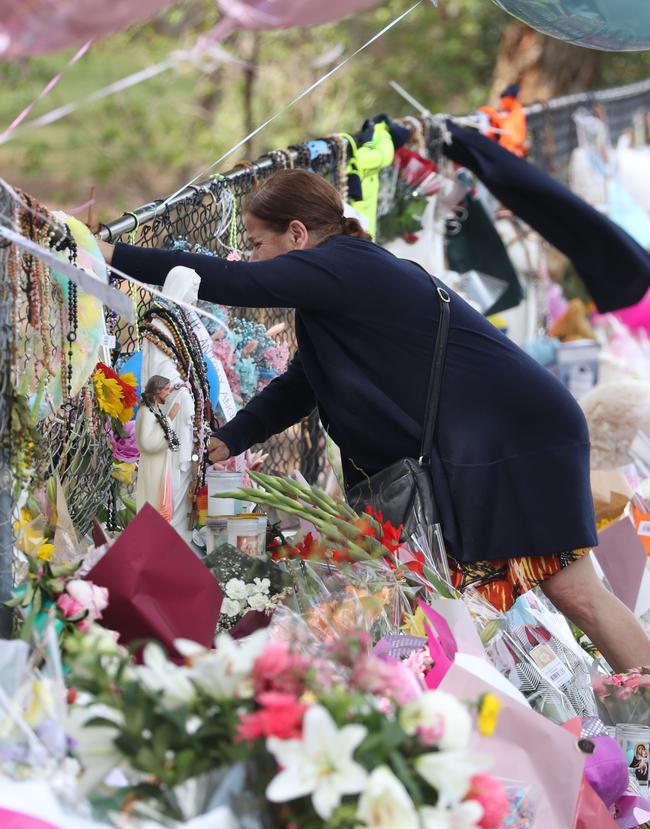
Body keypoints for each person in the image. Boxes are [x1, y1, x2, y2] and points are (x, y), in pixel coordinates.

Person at [100, 168, 650, 673]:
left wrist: (111, 254)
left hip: (519, 438)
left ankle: (639, 700)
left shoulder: (345, 267)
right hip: (501, 436)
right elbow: (303, 382)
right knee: (431, 596)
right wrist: (231, 438)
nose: (249, 259)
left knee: (572, 592)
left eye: (255, 244)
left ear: (297, 234)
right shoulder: (339, 284)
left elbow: (227, 283)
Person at [135, 375, 180, 522]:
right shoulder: (146, 413)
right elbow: (146, 443)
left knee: (158, 502)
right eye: (166, 389)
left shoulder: (153, 410)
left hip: (158, 465)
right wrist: (169, 418)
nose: (168, 392)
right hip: (152, 466)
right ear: (157, 391)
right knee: (153, 503)